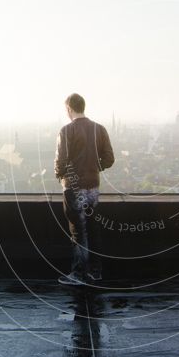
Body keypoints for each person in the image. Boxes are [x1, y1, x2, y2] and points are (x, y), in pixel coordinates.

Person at [54, 93, 115, 285]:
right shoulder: (100, 129)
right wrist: (96, 166)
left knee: (78, 232)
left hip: (73, 187)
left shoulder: (66, 131)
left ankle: (79, 274)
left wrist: (60, 174)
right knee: (92, 227)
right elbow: (109, 158)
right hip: (93, 186)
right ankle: (95, 272)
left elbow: (61, 161)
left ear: (69, 109)